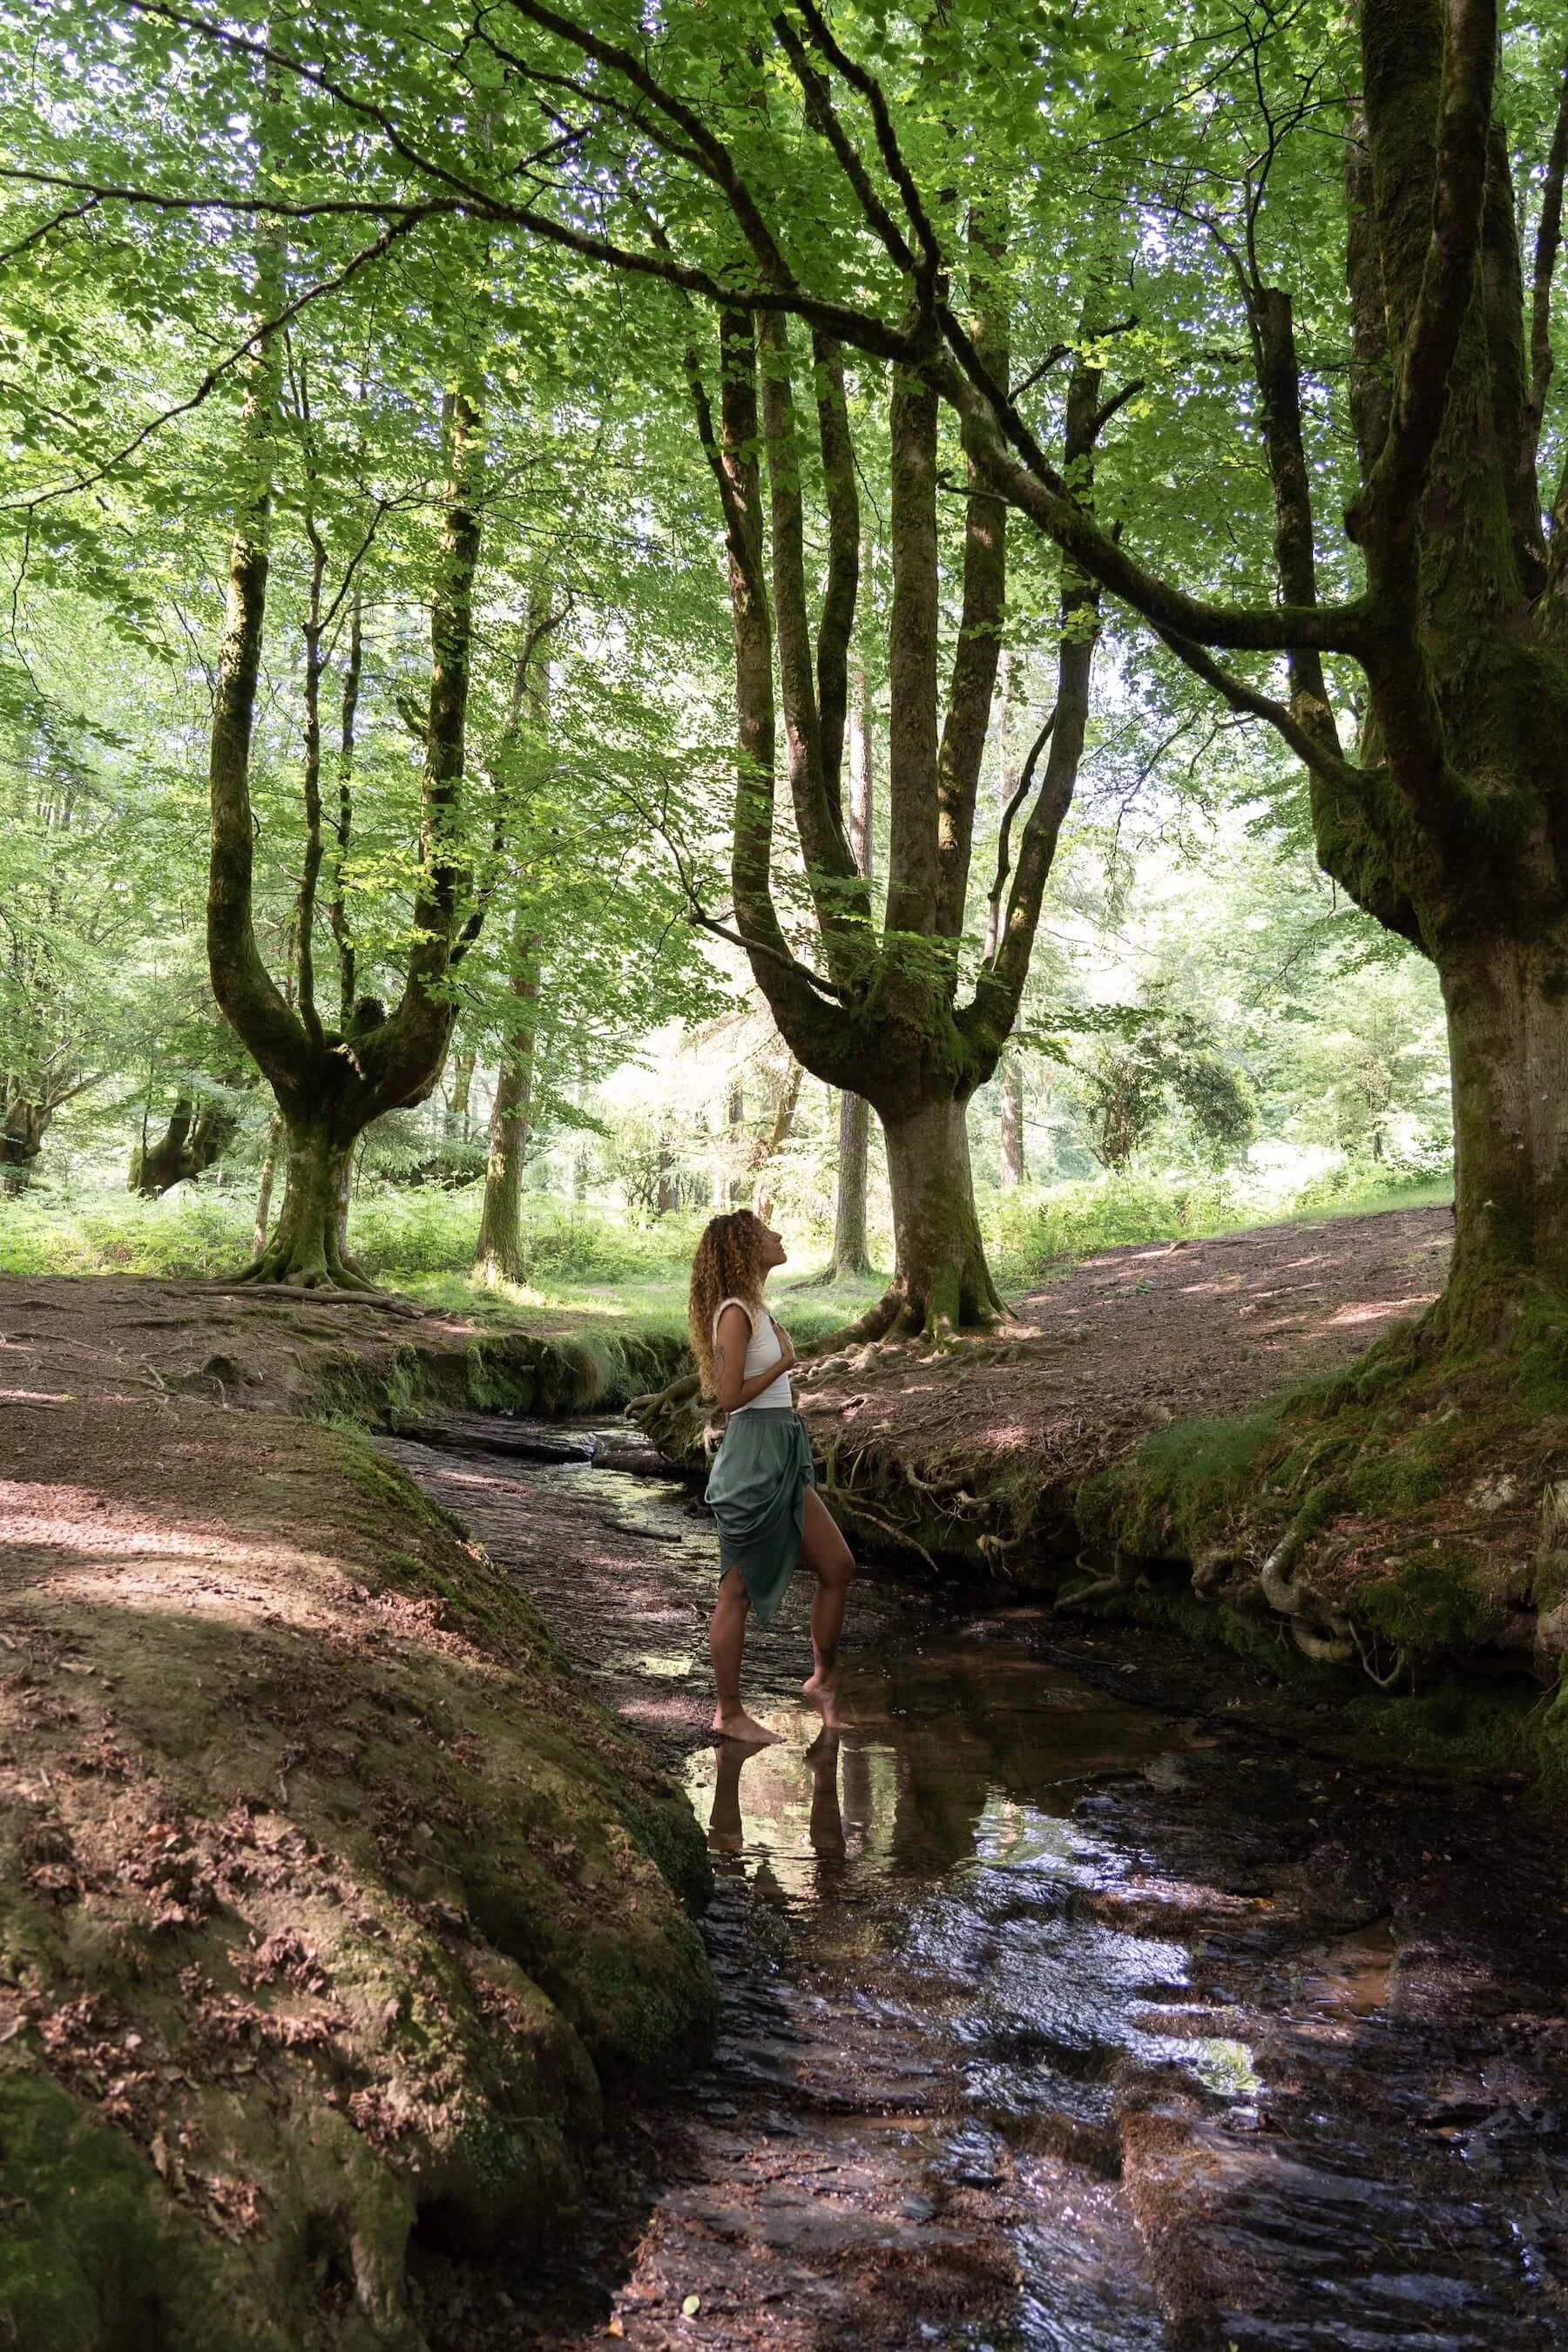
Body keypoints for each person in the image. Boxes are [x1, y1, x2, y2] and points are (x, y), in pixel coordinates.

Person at [688, 1208, 856, 1745]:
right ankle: (728, 1712)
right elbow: (728, 1397)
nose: (777, 1236)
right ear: (743, 1247)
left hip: (782, 1448)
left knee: (838, 1565)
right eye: (765, 1233)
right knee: (733, 1591)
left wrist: (789, 1393)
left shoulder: (759, 1309)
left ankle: (823, 1680)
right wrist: (783, 1366)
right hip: (751, 1457)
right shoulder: (734, 1313)